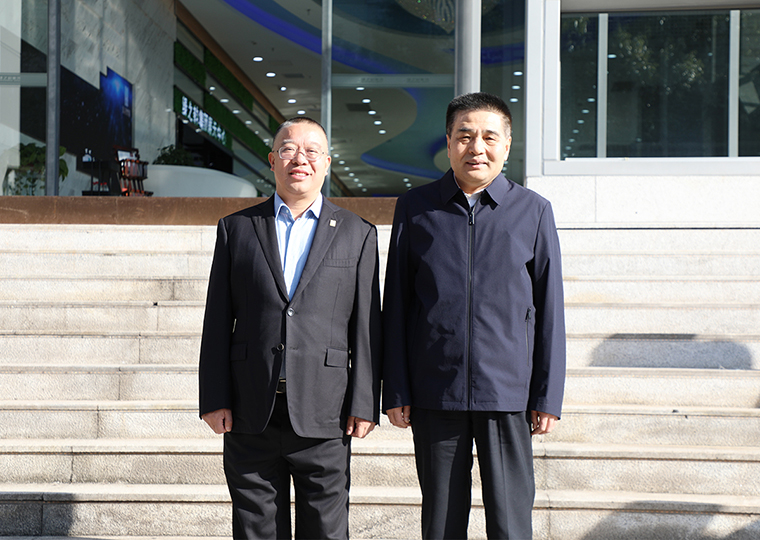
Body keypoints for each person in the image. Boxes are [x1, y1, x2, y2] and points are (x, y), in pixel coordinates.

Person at [382, 92, 566, 540]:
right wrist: (397, 387)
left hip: (507, 393)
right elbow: (397, 304)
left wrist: (547, 394)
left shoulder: (533, 211)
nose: (476, 147)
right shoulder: (416, 208)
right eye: (464, 136)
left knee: (511, 523)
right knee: (441, 523)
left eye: (489, 137)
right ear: (448, 143)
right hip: (435, 392)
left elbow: (550, 310)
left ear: (507, 145)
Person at [199, 116, 382, 540]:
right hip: (250, 407)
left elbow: (367, 325)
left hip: (326, 410)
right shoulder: (237, 228)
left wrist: (365, 401)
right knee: (255, 529)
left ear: (327, 163)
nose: (300, 159)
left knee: (326, 530)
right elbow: (217, 319)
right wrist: (214, 396)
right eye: (288, 149)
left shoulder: (358, 233)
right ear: (272, 160)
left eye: (312, 151)